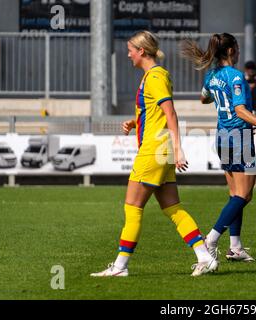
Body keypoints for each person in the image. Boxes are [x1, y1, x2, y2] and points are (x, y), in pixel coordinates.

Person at [91, 31, 217, 277]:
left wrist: (179, 149)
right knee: (173, 208)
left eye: (130, 50)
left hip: (154, 151)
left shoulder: (155, 77)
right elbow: (154, 113)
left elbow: (170, 114)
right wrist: (133, 122)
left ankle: (120, 267)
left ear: (141, 51)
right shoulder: (153, 76)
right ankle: (204, 256)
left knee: (133, 207)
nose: (128, 54)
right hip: (161, 150)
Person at [181, 33, 256, 263]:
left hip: (222, 136)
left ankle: (236, 247)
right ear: (230, 51)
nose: (239, 53)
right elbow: (240, 110)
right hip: (239, 136)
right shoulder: (236, 76)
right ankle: (210, 238)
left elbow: (203, 98)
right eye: (237, 49)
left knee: (235, 195)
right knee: (244, 194)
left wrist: (220, 97)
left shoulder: (211, 75)